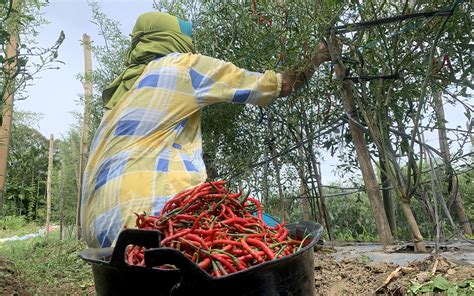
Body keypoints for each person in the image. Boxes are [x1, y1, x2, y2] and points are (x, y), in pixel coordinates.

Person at [81, 12, 332, 248]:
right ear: (175, 39)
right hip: (151, 217)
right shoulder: (183, 66)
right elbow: (279, 85)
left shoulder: (118, 99)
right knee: (267, 230)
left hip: (98, 231)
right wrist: (316, 58)